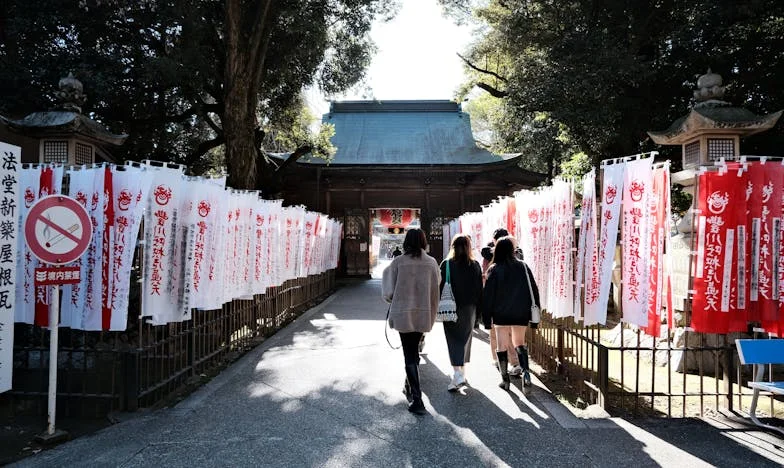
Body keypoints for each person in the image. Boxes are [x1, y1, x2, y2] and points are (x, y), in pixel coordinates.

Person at [382, 228, 440, 414]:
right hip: (423, 313)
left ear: (406, 241)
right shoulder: (431, 263)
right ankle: (409, 386)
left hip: (403, 313)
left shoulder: (398, 262)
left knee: (409, 353)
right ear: (423, 242)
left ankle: (417, 399)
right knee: (414, 350)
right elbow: (436, 287)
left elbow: (389, 292)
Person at [482, 236, 541, 389]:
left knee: (501, 345)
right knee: (519, 343)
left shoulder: (494, 269)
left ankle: (505, 380)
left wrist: (486, 318)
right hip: (520, 311)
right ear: (512, 250)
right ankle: (526, 375)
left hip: (500, 313)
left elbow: (488, 296)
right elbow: (533, 290)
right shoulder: (523, 266)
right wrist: (536, 315)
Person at [439, 233, 483, 391]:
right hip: (470, 307)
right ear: (468, 247)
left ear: (453, 247)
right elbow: (479, 289)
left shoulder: (446, 265)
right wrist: (479, 312)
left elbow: (440, 286)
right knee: (465, 338)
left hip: (450, 306)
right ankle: (462, 372)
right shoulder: (475, 265)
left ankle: (458, 374)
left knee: (453, 339)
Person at [480, 228, 522, 376]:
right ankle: (515, 363)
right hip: (515, 302)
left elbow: (485, 277)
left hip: (497, 302)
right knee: (511, 334)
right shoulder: (517, 257)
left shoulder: (491, 258)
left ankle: (504, 363)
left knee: (497, 332)